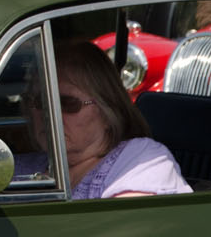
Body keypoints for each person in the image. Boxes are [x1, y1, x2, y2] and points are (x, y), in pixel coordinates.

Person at [32, 40, 190, 199]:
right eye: (40, 102)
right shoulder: (22, 164)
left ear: (107, 111)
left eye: (68, 103)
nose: (48, 113)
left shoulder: (140, 159)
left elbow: (128, 220)